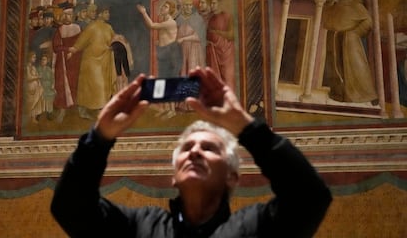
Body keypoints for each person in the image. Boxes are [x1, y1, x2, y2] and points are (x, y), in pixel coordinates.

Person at [51, 67, 332, 237]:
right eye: (186, 148)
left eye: (209, 148)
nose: (195, 151)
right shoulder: (138, 228)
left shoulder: (256, 228)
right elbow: (71, 209)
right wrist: (100, 138)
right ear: (173, 177)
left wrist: (244, 126)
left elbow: (309, 197)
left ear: (233, 177)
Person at [322, 0, 377, 104]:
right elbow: (328, 20)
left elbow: (368, 22)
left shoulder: (358, 7)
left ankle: (367, 95)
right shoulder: (336, 5)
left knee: (357, 67)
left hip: (351, 40)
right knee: (336, 66)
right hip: (335, 37)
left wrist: (354, 32)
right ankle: (341, 94)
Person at [199, 0, 236, 92]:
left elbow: (232, 35)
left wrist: (216, 33)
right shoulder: (211, 19)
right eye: (211, 4)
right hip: (213, 54)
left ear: (220, 3)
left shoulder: (228, 16)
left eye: (214, 3)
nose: (212, 6)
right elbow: (207, 35)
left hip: (226, 54)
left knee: (227, 78)